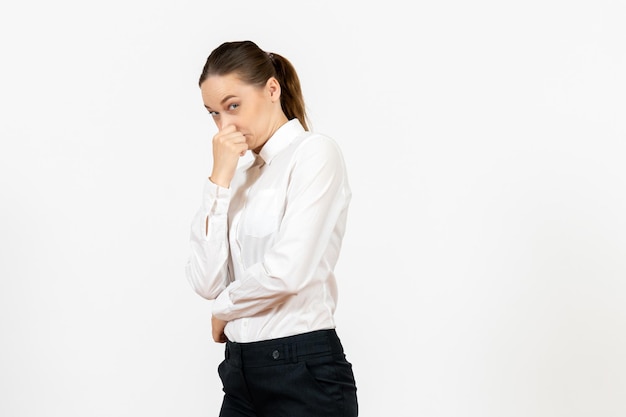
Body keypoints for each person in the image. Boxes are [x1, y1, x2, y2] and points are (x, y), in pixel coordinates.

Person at [185, 40, 358, 417]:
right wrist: (219, 179)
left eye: (233, 106)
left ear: (272, 89)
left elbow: (286, 271)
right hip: (239, 374)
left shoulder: (314, 154)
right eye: (213, 113)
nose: (224, 126)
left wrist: (225, 310)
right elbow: (205, 281)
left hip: (303, 373)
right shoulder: (239, 176)